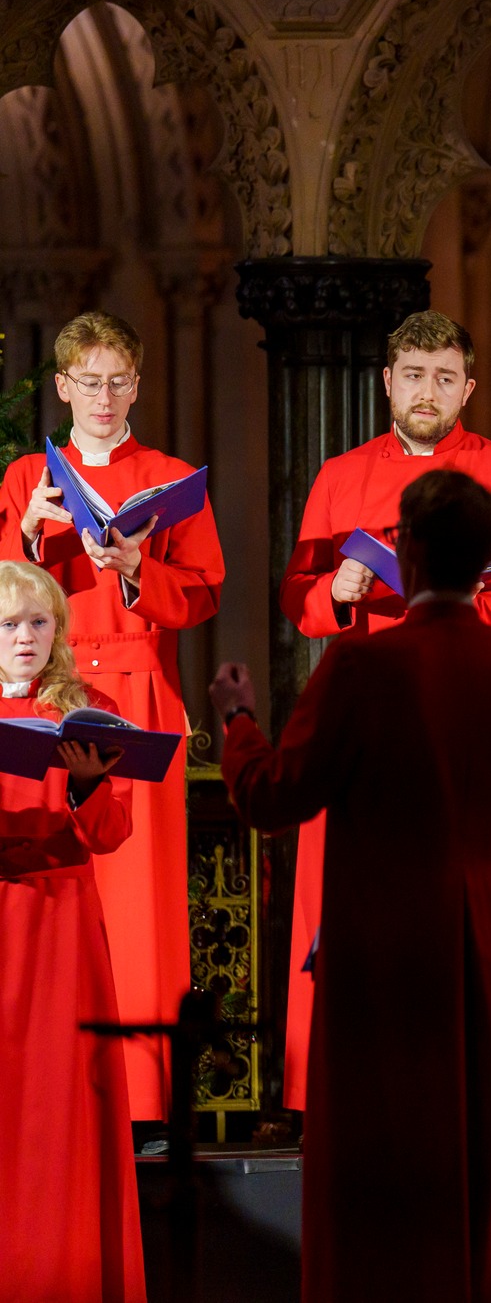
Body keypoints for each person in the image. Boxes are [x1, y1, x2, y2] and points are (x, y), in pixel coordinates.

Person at [216, 470, 491, 1303]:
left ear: (406, 551)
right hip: (484, 943)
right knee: (478, 1143)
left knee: (377, 1148)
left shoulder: (361, 660)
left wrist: (238, 721)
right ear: (489, 558)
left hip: (379, 946)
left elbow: (273, 796)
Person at [277, 310, 491, 1111]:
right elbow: (299, 594)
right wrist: (336, 589)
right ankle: (334, 1080)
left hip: (462, 706)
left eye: (443, 377)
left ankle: (462, 1070)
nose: (426, 391)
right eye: (412, 374)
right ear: (386, 381)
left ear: (466, 386)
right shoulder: (340, 474)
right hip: (369, 704)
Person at [0, 311, 223, 1123]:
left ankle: (141, 1105)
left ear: (138, 383)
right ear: (62, 386)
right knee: (47, 893)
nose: (104, 396)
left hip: (135, 686)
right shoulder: (28, 477)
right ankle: (43, 1087)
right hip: (45, 694)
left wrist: (136, 568)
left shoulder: (166, 474)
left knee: (141, 904)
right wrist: (26, 537)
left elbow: (202, 593)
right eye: (88, 381)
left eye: (118, 380)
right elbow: (5, 600)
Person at [0, 560, 144, 1300]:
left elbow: (113, 830)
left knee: (56, 1108)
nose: (25, 637)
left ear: (57, 629)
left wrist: (87, 783)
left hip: (57, 923)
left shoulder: (85, 707)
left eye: (37, 622)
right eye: (8, 624)